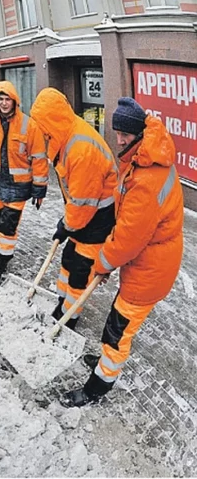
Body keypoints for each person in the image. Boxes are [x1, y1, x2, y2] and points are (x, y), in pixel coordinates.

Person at [60, 97, 184, 408]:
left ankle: (98, 386)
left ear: (139, 133)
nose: (119, 140)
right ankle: (104, 364)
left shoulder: (147, 179)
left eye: (124, 134)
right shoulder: (144, 159)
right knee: (117, 321)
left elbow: (129, 238)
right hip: (147, 262)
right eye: (117, 133)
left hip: (150, 271)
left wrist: (102, 264)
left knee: (118, 332)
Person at [30, 88, 118, 330]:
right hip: (84, 213)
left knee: (81, 268)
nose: (42, 134)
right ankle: (62, 301)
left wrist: (66, 225)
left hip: (99, 218)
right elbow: (77, 200)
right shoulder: (65, 136)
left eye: (43, 127)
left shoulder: (81, 150)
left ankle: (69, 317)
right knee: (69, 256)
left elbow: (83, 202)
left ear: (52, 121)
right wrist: (68, 224)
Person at [0, 81, 49, 291]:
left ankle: (0, 266)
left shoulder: (29, 125)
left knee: (7, 227)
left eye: (7, 99)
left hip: (18, 186)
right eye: (0, 99)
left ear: (14, 101)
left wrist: (39, 188)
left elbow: (39, 159)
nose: (4, 103)